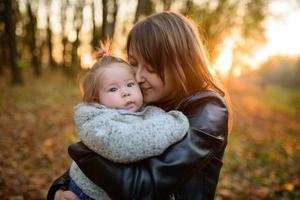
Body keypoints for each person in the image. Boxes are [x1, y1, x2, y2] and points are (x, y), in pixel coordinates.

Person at [48, 11, 230, 200]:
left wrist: (85, 152)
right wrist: (59, 190)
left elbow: (143, 187)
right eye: (134, 63)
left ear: (180, 62)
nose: (138, 77)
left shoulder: (208, 109)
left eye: (151, 66)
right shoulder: (146, 98)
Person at [67, 52, 189, 199]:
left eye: (130, 84)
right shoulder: (96, 121)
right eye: (113, 89)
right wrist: (176, 122)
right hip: (87, 195)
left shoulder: (148, 111)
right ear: (96, 99)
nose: (125, 92)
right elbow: (126, 144)